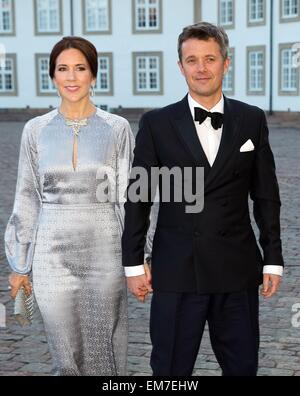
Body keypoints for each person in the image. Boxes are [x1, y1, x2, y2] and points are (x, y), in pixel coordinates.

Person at [122, 22, 284, 376]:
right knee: (169, 372)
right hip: (178, 271)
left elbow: (266, 195)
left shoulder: (252, 119)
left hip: (236, 270)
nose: (201, 68)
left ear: (226, 63)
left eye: (210, 58)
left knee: (243, 368)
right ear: (180, 67)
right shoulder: (156, 123)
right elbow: (138, 197)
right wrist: (133, 264)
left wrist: (273, 259)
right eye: (191, 60)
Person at [5, 36, 135, 376]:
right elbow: (27, 195)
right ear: (52, 76)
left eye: (80, 68)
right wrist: (21, 264)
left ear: (94, 75)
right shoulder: (35, 130)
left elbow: (129, 197)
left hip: (105, 252)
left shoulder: (117, 128)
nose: (72, 77)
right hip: (52, 258)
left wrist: (140, 257)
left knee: (103, 348)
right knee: (64, 352)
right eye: (63, 69)